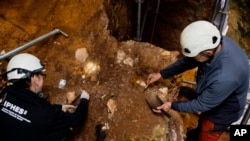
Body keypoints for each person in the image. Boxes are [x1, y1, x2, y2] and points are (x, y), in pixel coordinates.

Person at [147, 20, 249, 141]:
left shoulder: (225, 77)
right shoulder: (214, 42)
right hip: (216, 94)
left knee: (207, 130)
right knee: (202, 123)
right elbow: (188, 61)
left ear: (208, 53)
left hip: (223, 113)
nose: (191, 58)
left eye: (194, 55)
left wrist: (172, 105)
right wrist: (161, 74)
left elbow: (201, 105)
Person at [0, 53, 90, 141]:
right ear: (34, 79)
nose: (43, 78)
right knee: (64, 131)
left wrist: (60, 107)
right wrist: (84, 99)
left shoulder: (5, 92)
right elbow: (76, 120)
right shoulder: (44, 112)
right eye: (42, 75)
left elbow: (28, 112)